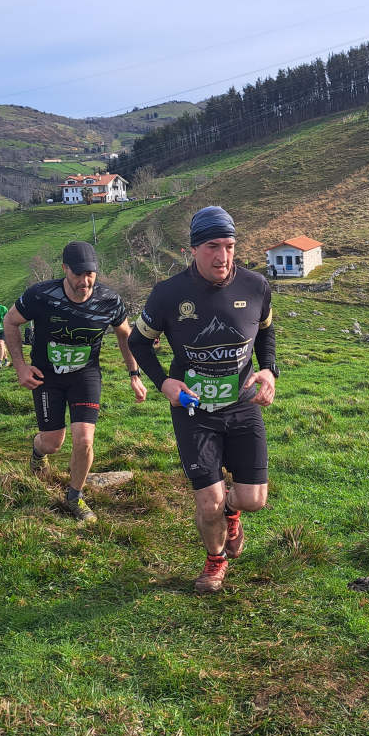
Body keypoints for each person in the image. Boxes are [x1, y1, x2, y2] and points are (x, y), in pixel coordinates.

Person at [127, 207, 278, 594]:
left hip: (243, 405)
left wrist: (269, 370)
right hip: (194, 410)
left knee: (253, 499)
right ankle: (215, 561)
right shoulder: (168, 294)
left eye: (229, 246)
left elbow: (265, 331)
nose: (222, 256)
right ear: (191, 250)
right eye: (213, 246)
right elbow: (138, 342)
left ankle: (234, 511)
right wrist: (164, 383)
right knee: (207, 501)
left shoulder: (256, 286)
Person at [3, 241, 147, 522]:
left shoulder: (108, 300)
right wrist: (20, 366)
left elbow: (124, 333)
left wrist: (134, 374)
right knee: (52, 443)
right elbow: (10, 321)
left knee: (84, 440)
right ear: (65, 269)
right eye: (78, 274)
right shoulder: (42, 295)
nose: (85, 281)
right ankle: (37, 449)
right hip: (47, 376)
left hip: (85, 375)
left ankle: (74, 497)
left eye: (91, 273)